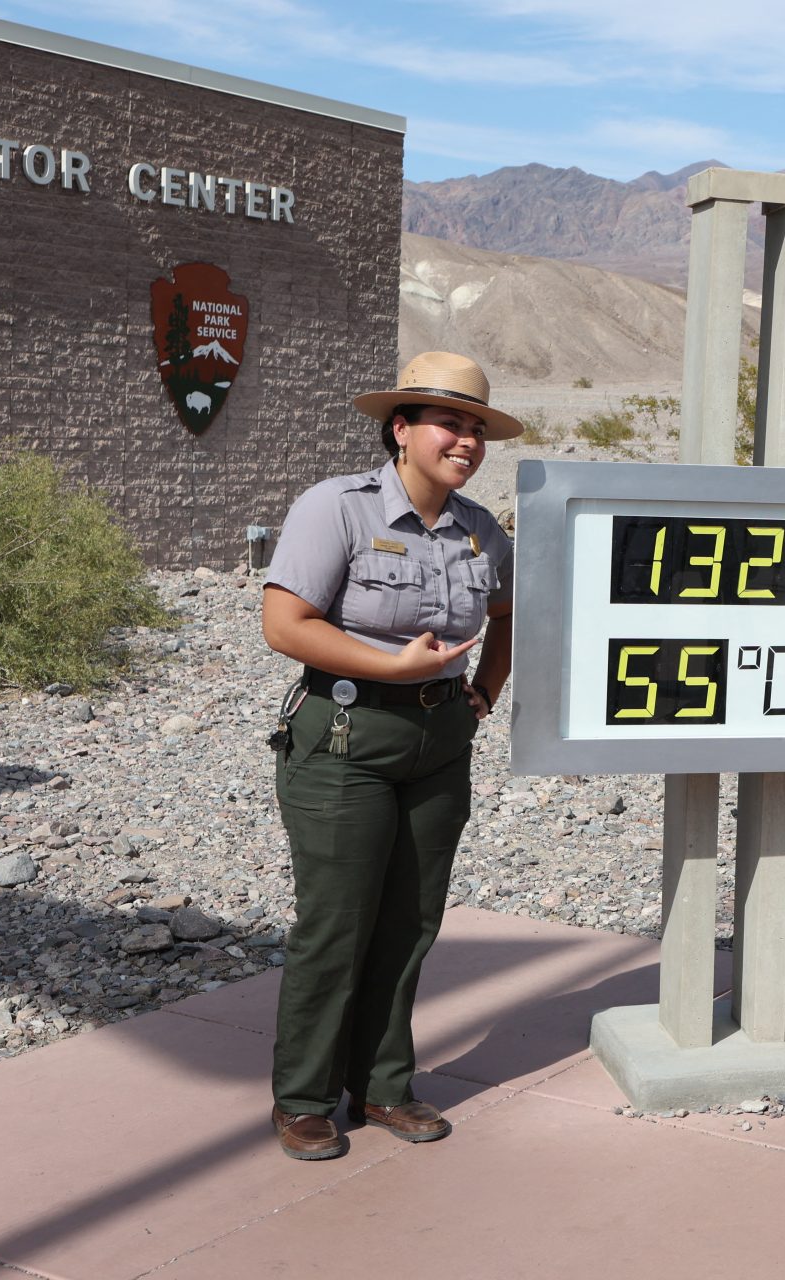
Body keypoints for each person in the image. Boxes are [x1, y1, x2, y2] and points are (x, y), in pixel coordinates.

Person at [259, 352, 518, 1160]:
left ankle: (381, 1087)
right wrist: (394, 667)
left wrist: (485, 692)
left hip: (440, 740)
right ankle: (303, 1097)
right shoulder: (334, 508)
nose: (466, 440)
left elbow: (507, 613)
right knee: (338, 923)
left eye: (476, 427)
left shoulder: (480, 527)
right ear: (401, 430)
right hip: (345, 736)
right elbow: (285, 624)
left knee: (410, 921)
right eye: (450, 423)